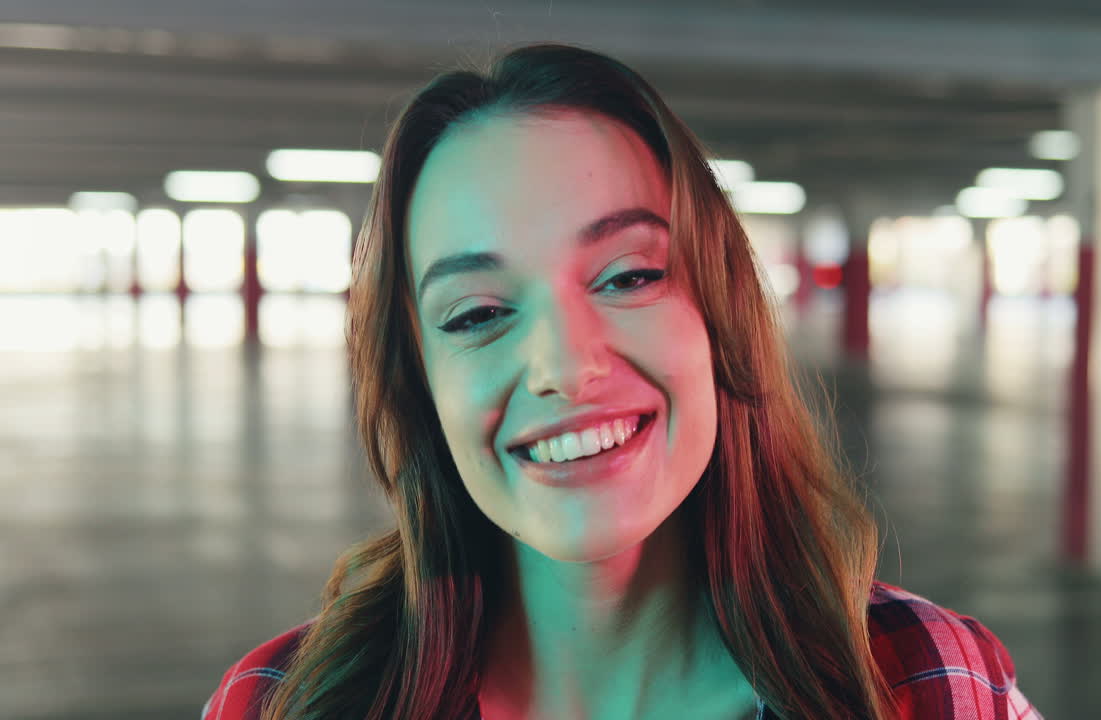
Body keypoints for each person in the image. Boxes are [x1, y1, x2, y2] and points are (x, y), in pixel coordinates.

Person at [202, 42, 1042, 720]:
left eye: (629, 277)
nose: (566, 367)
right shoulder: (279, 703)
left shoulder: (931, 683)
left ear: (722, 314)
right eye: (476, 314)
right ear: (420, 384)